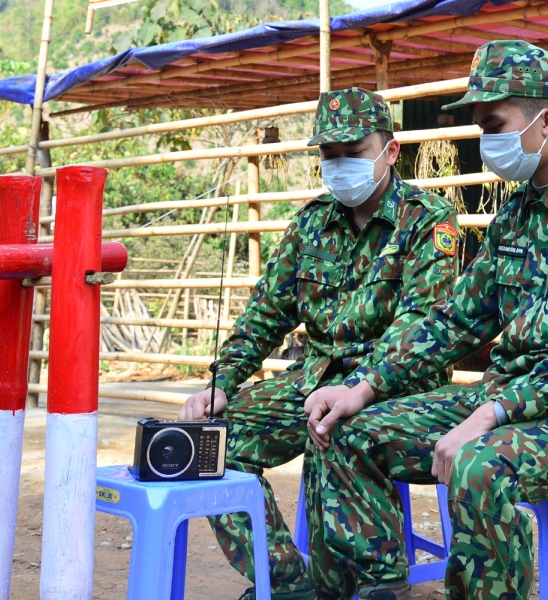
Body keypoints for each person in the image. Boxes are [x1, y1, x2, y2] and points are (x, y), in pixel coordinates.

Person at [302, 41, 548, 600]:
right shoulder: (514, 219)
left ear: (547, 121)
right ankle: (377, 590)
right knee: (349, 432)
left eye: (493, 124)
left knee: (479, 465)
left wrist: (491, 415)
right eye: (481, 128)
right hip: (505, 399)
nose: (486, 142)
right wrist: (365, 384)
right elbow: (454, 320)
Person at [178, 87, 461, 600]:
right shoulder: (310, 224)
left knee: (338, 424)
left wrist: (359, 386)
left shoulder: (427, 220)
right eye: (330, 156)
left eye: (354, 153)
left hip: (396, 385)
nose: (341, 166)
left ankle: (378, 582)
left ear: (390, 150)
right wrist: (222, 383)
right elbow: (267, 313)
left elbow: (423, 324)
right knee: (211, 443)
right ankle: (286, 582)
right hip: (314, 377)